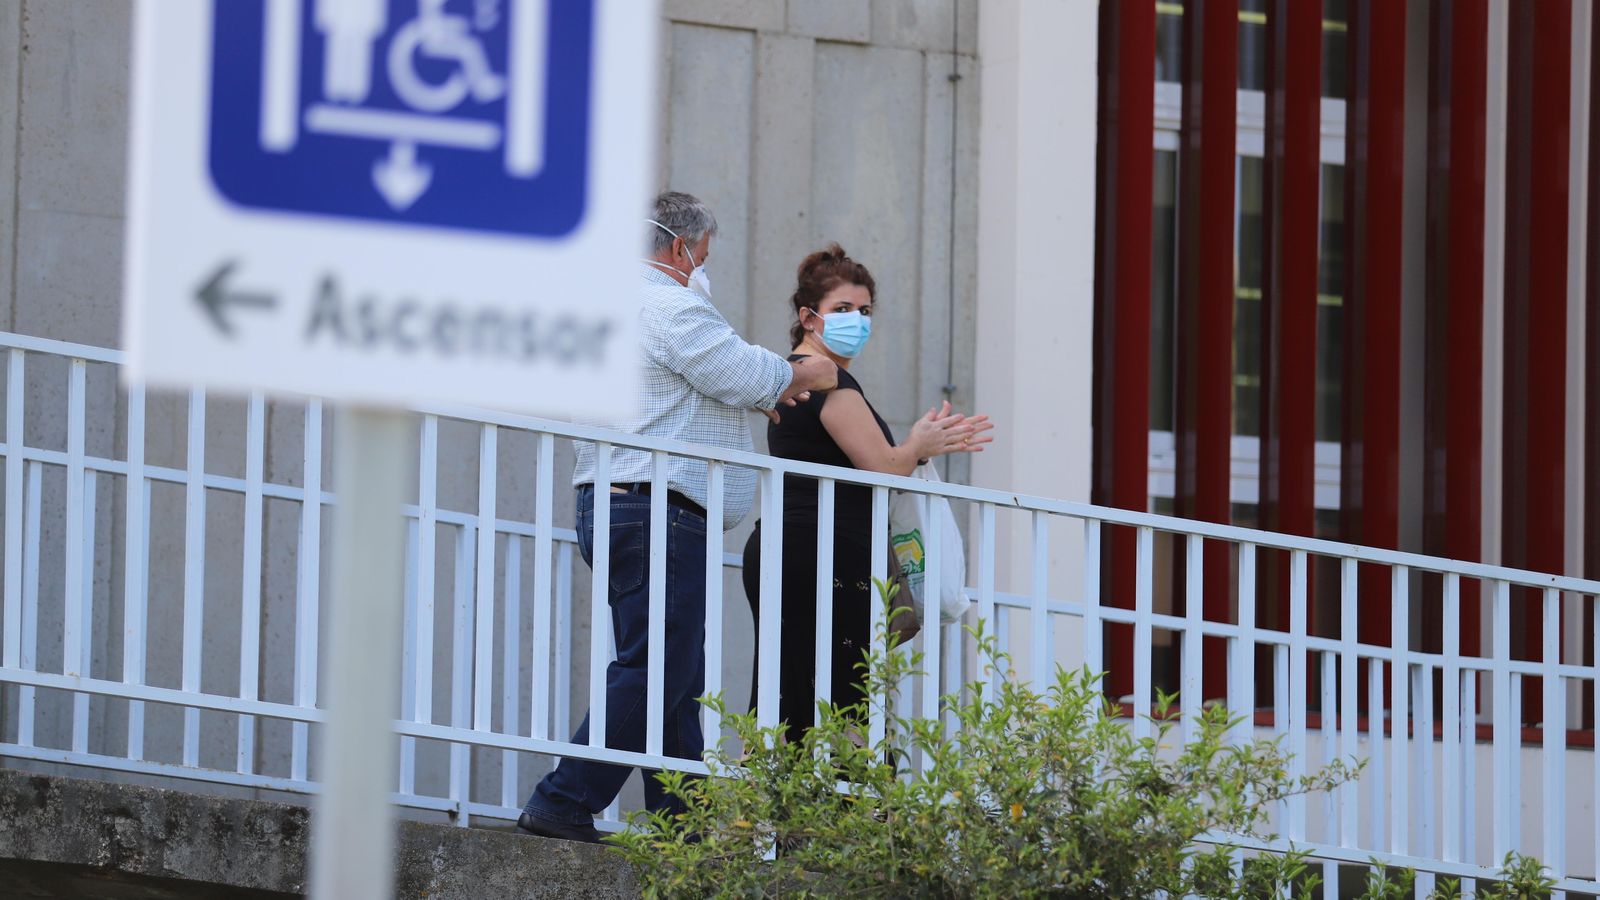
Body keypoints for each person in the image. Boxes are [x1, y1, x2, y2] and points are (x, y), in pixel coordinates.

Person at [517, 192, 839, 843]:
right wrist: (805, 371)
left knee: (677, 672)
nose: (703, 267)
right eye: (704, 254)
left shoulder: (619, 308)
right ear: (679, 247)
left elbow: (710, 382)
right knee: (657, 667)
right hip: (654, 508)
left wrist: (767, 385)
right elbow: (738, 369)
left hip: (628, 504)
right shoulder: (667, 303)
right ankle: (563, 799)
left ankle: (681, 823)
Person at [741, 244, 993, 746]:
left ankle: (777, 811)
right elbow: (884, 467)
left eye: (865, 311)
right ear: (807, 317)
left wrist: (917, 449)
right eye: (843, 310)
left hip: (794, 548)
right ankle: (843, 810)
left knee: (788, 692)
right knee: (840, 701)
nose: (857, 320)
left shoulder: (798, 379)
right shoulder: (830, 383)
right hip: (826, 552)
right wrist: (918, 446)